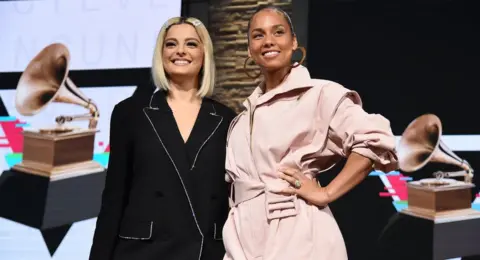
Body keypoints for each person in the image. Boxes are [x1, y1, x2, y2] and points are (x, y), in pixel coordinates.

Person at [222, 5, 398, 260]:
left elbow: (375, 138)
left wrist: (326, 193)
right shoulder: (240, 119)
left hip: (299, 236)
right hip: (243, 240)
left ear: (293, 41)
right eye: (258, 35)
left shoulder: (320, 94)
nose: (268, 41)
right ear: (250, 49)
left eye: (278, 32)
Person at [89, 17, 236, 260]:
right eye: (171, 44)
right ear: (161, 53)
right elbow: (114, 197)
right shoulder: (130, 112)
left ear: (204, 54)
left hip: (204, 252)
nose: (180, 51)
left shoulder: (226, 118)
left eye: (191, 44)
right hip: (141, 252)